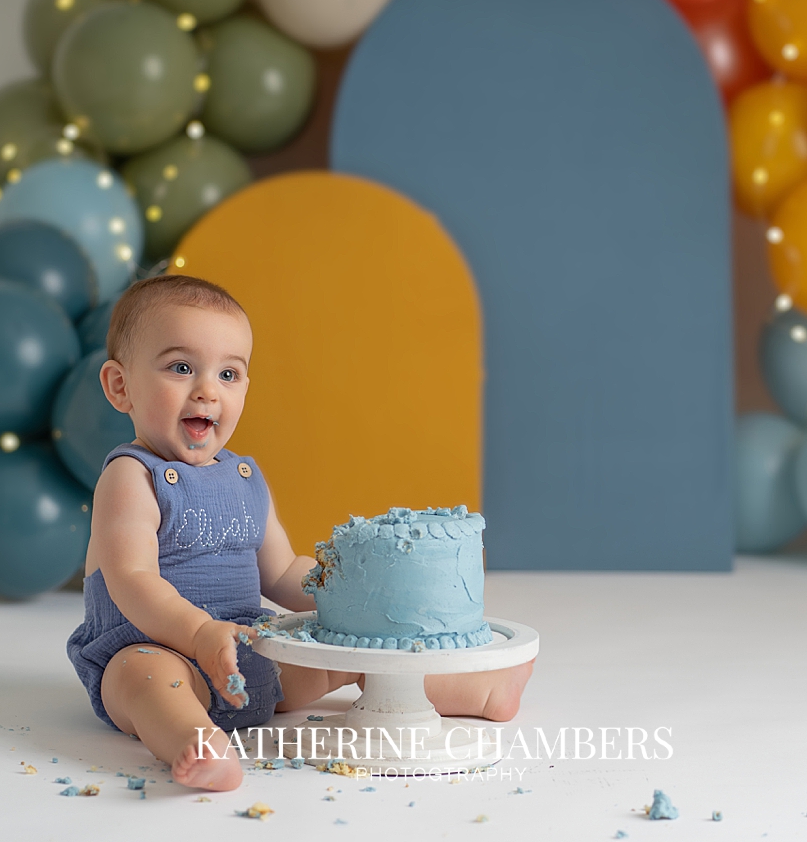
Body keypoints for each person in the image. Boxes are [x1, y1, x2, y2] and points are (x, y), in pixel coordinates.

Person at [66, 275, 533, 792]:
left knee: (355, 655)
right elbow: (130, 577)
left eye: (229, 373)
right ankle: (195, 741)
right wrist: (198, 635)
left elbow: (283, 571)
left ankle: (480, 691)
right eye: (181, 368)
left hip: (253, 653)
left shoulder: (244, 478)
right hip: (163, 652)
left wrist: (354, 596)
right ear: (120, 386)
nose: (207, 390)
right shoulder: (132, 476)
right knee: (146, 680)